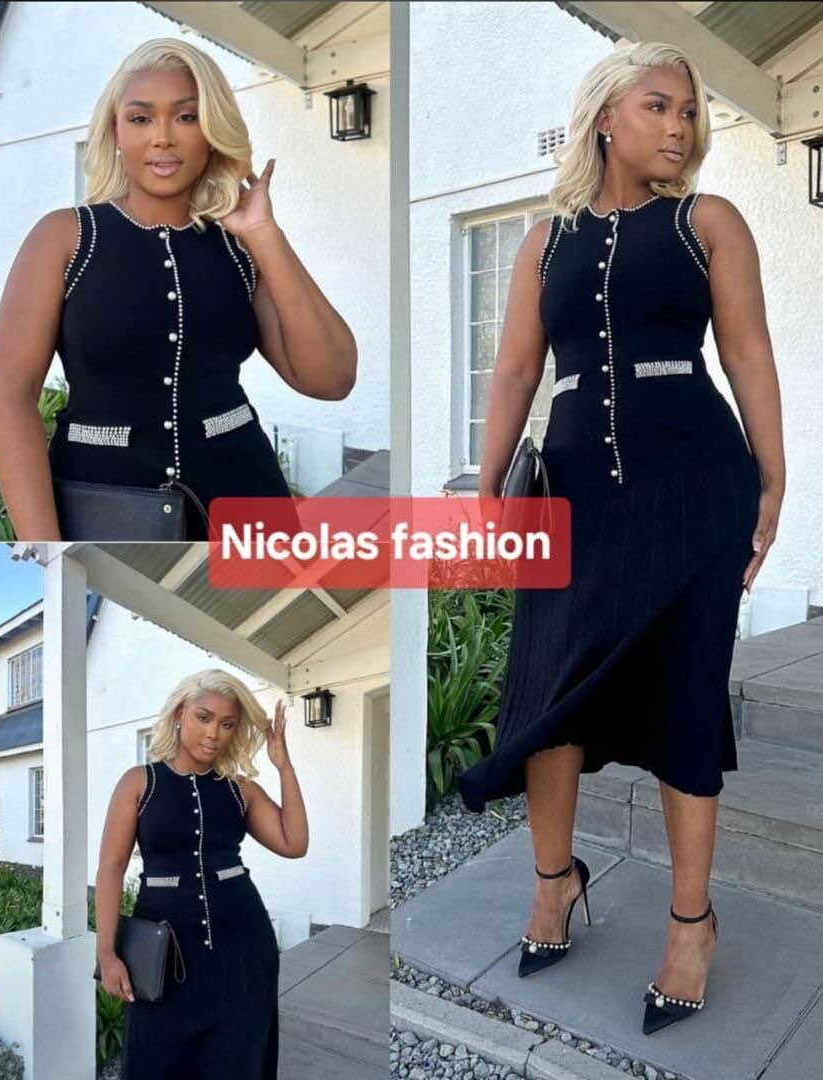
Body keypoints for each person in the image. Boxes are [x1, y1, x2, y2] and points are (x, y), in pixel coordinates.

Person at [457, 41, 785, 1036]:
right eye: (658, 106)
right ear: (605, 115)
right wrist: (486, 490)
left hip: (694, 490)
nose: (679, 126)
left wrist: (773, 478)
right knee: (548, 693)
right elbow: (515, 371)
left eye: (688, 111)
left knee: (684, 696)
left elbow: (747, 352)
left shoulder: (706, 224)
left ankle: (691, 926)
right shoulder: (543, 241)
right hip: (573, 500)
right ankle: (553, 881)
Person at [0, 38, 357, 541]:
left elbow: (331, 379)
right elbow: (8, 397)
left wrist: (265, 235)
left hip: (247, 512)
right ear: (115, 131)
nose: (162, 138)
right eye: (140, 118)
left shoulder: (239, 248)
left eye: (186, 117)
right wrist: (46, 550)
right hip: (102, 515)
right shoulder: (66, 238)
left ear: (212, 131)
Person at [95, 669, 308, 1078]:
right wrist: (106, 953)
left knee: (238, 1062)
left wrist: (283, 766)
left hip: (244, 952)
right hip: (163, 959)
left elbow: (294, 843)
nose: (214, 734)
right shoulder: (140, 783)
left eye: (227, 724)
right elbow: (110, 868)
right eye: (204, 717)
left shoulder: (240, 789)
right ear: (180, 713)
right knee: (155, 1062)